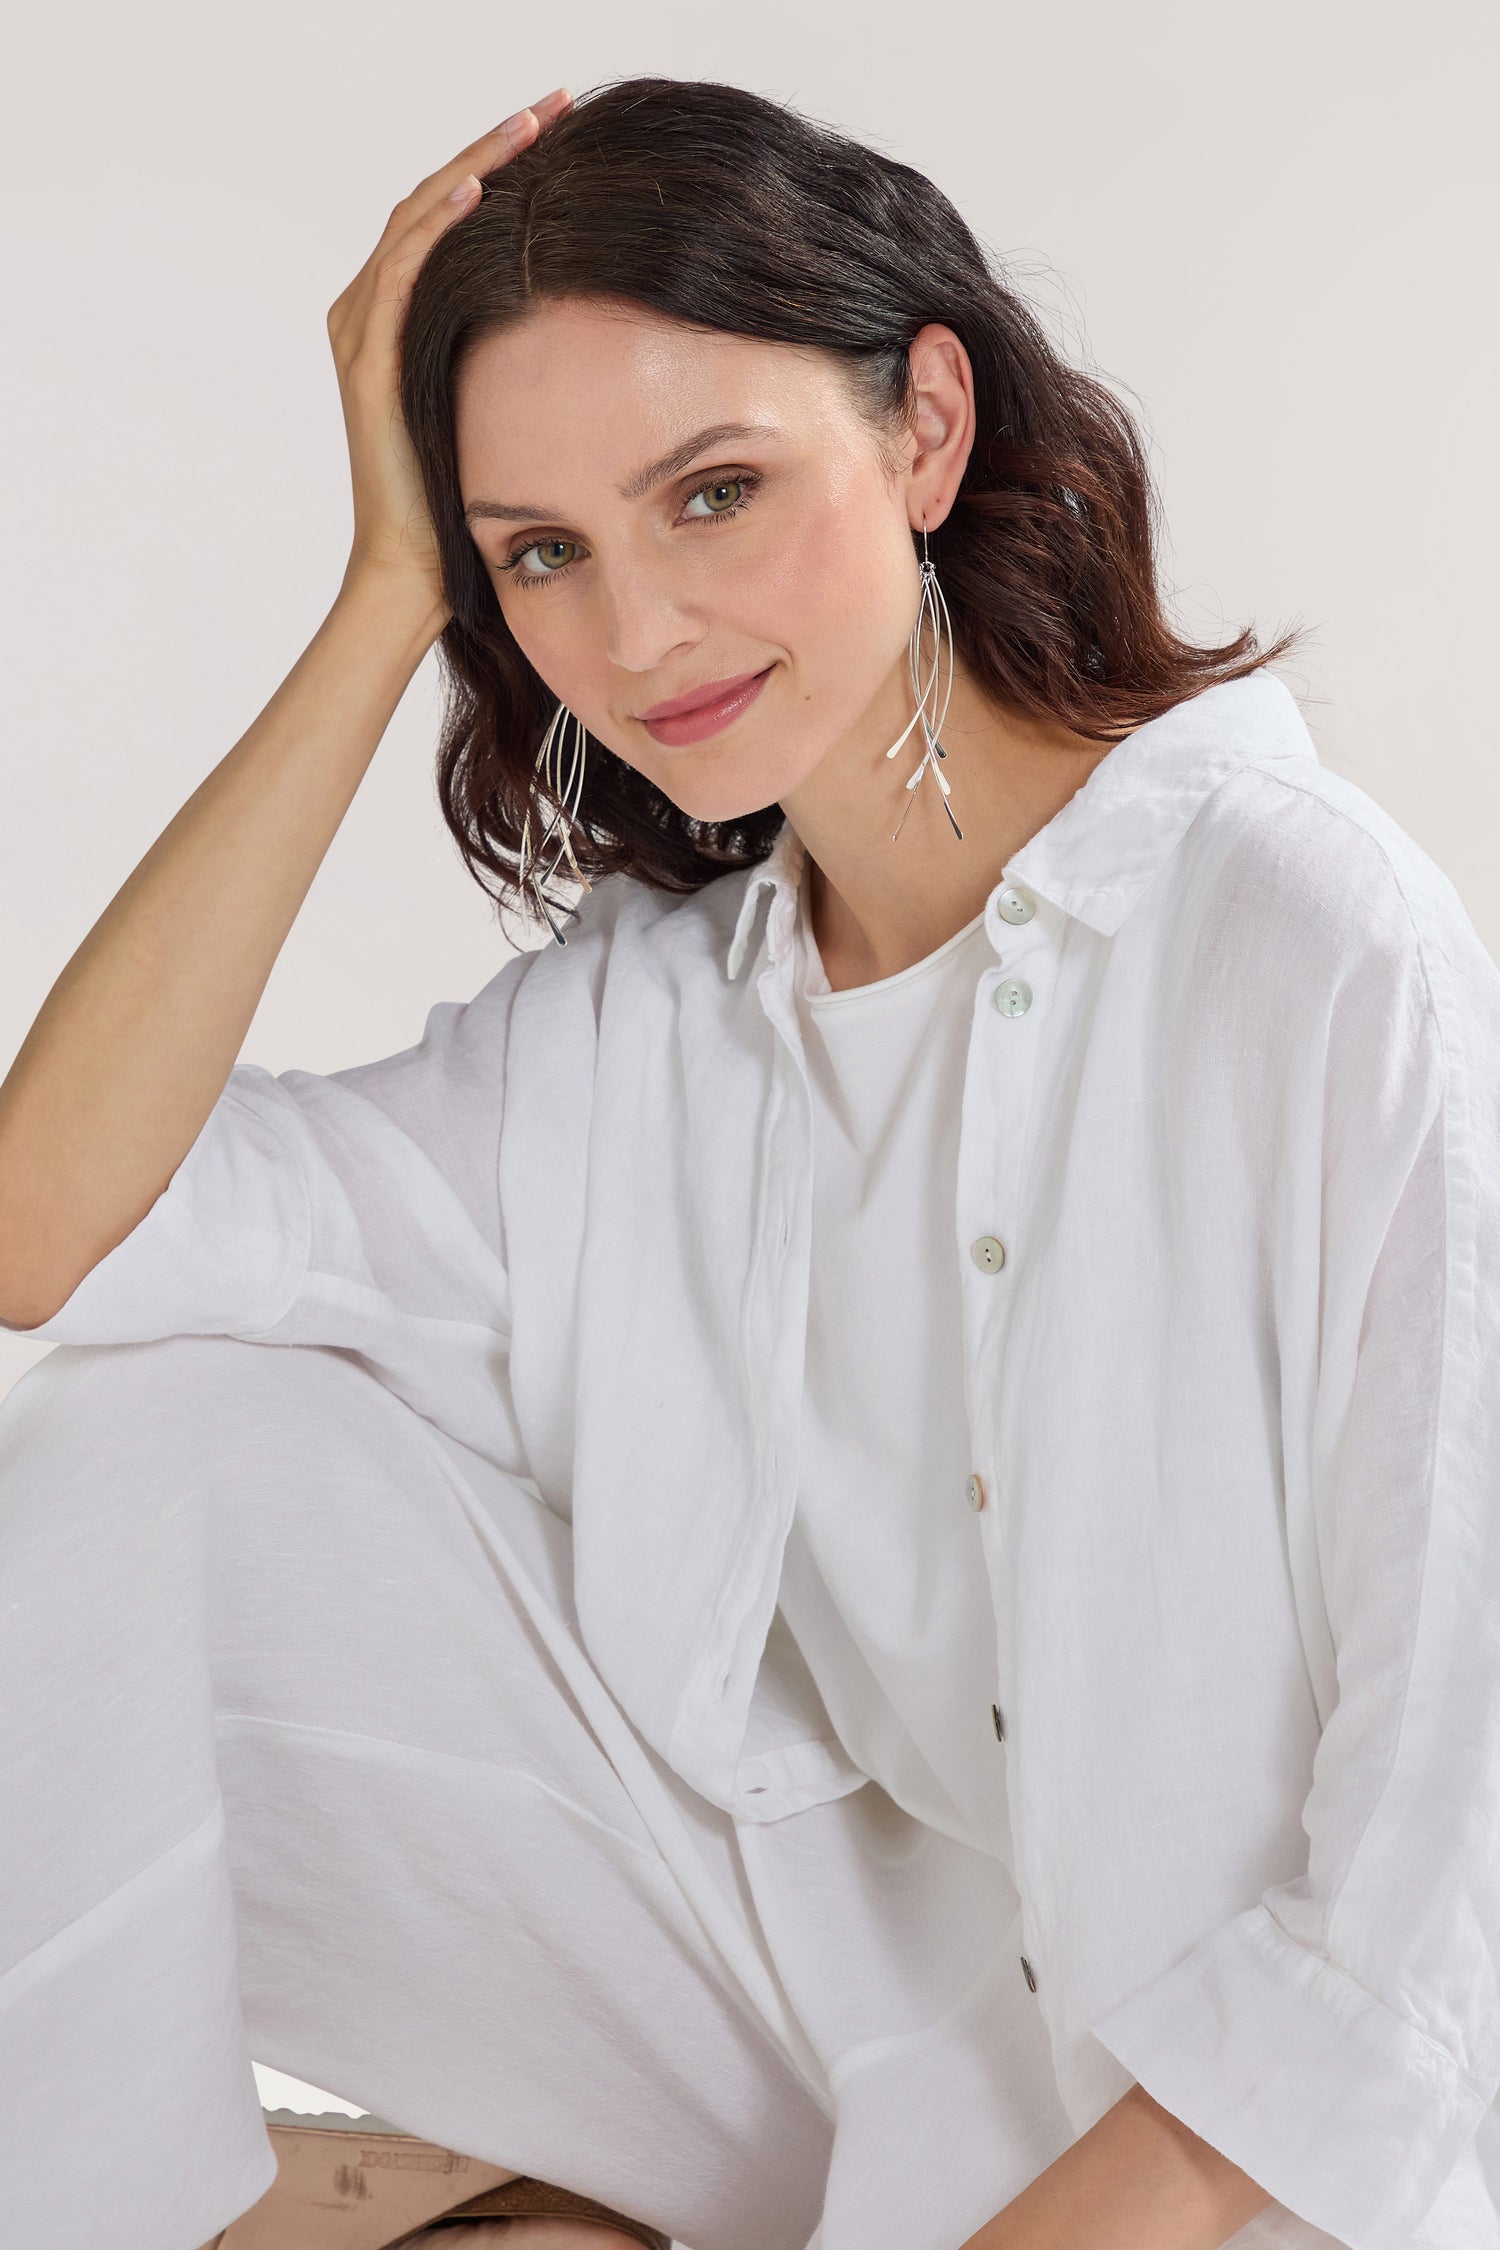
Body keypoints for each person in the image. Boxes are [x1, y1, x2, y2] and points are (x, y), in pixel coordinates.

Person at [2, 71, 1499, 2250]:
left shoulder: (1298, 938)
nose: (639, 636)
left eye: (713, 492)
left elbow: (1438, 1895)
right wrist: (377, 602)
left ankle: (480, 2207)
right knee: (135, 1447)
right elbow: (52, 1228)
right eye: (544, 553)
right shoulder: (648, 1041)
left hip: (1254, 2174)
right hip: (863, 2058)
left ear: (926, 428)